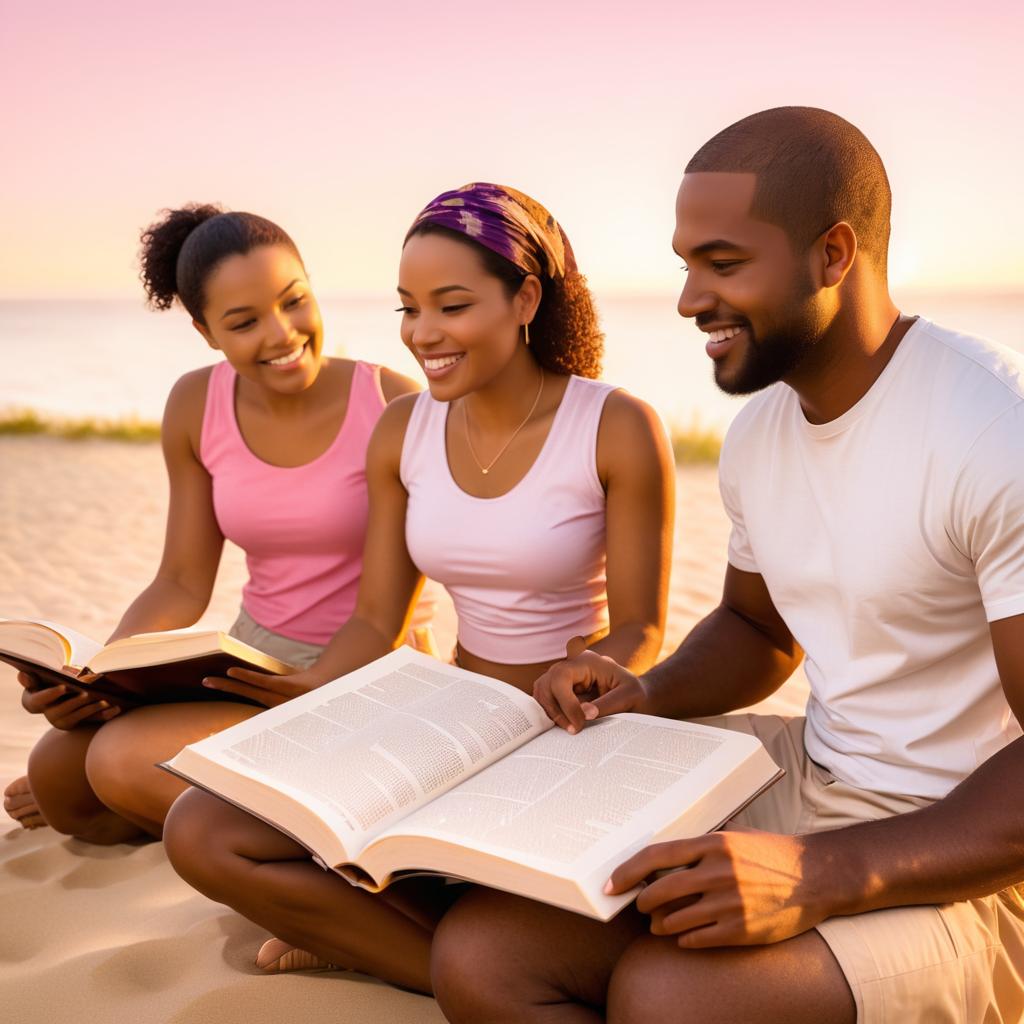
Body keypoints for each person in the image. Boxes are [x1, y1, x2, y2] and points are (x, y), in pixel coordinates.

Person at [428, 109, 1024, 1024]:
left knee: (670, 999)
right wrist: (646, 691)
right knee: (481, 957)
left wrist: (821, 873)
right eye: (685, 266)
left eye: (724, 263)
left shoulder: (992, 431)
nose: (688, 299)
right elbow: (758, 630)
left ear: (833, 254)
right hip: (813, 772)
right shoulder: (759, 434)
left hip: (968, 858)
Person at [162, 182, 676, 992]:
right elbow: (375, 619)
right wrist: (301, 693)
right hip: (455, 724)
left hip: (572, 734)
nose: (423, 335)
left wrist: (596, 672)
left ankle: (408, 951)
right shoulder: (403, 431)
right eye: (408, 309)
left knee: (488, 920)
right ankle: (443, 968)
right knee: (201, 827)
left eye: (451, 305)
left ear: (525, 298)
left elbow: (643, 629)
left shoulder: (616, 426)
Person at [3, 204, 425, 843]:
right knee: (61, 772)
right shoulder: (195, 403)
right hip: (254, 659)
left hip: (367, 668)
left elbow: (388, 607)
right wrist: (99, 677)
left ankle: (307, 817)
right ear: (206, 332)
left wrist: (312, 688)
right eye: (244, 322)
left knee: (116, 761)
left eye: (294, 301)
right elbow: (179, 580)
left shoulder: (389, 399)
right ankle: (231, 795)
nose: (282, 334)